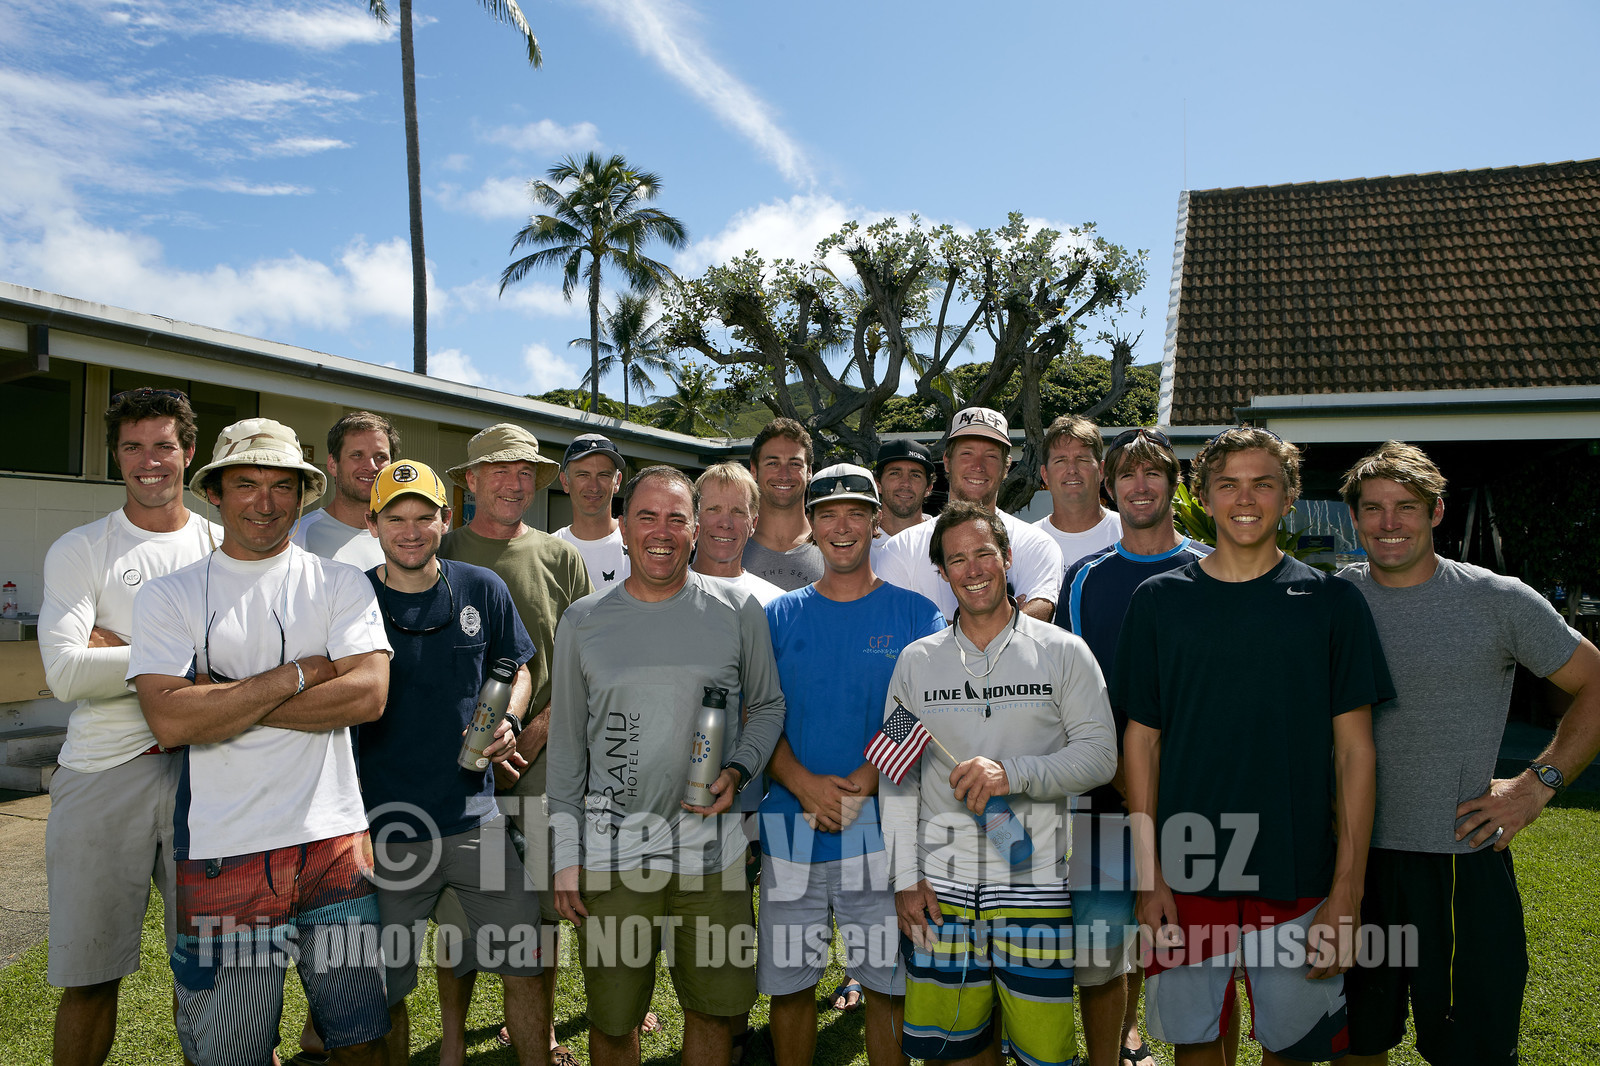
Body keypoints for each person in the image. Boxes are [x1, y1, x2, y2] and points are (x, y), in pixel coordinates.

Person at [1118, 427, 1392, 1066]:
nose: (1246, 498)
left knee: (1292, 1048)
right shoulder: (1158, 602)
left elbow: (1355, 754)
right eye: (1228, 484)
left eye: (1263, 483)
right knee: (1197, 1043)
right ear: (1202, 497)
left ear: (1290, 495)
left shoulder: (1333, 603)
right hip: (1187, 871)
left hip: (1300, 870)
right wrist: (1148, 871)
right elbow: (1142, 745)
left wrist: (1347, 892)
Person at [128, 417, 392, 1066]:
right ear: (213, 492)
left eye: (282, 486)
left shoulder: (341, 583)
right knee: (228, 1051)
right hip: (224, 847)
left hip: (335, 842)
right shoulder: (170, 596)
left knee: (359, 1035)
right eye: (245, 484)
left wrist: (223, 699)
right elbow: (170, 720)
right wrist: (301, 673)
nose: (266, 503)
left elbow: (367, 696)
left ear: (303, 493)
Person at [1337, 442, 1600, 1066]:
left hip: (1461, 859)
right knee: (1355, 1043)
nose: (1389, 522)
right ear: (1354, 518)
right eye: (1372, 508)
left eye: (1406, 506)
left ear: (1437, 512)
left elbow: (1595, 681)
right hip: (1352, 858)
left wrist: (1537, 784)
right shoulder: (1330, 601)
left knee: (1471, 1050)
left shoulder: (1497, 599)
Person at [548, 465, 786, 1066]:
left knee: (711, 1009)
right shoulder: (582, 620)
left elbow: (767, 705)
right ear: (623, 528)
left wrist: (737, 769)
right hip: (612, 858)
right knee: (613, 1018)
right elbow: (569, 748)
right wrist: (566, 855)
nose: (662, 531)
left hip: (713, 858)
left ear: (696, 530)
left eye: (676, 518)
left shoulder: (737, 611)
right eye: (647, 517)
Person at [882, 502, 1117, 1066]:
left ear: (1007, 558)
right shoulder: (916, 662)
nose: (972, 569)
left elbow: (1101, 757)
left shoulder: (1064, 651)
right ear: (942, 573)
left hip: (1033, 882)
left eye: (983, 552)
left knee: (1044, 1051)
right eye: (956, 559)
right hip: (941, 889)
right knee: (956, 1049)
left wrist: (1014, 773)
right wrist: (905, 878)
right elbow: (896, 780)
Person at [39, 387, 219, 1066]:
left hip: (207, 776)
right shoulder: (82, 550)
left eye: (164, 445)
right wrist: (188, 664)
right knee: (88, 977)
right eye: (134, 446)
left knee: (207, 970)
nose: (150, 461)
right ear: (117, 455)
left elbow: (245, 666)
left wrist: (121, 647)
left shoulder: (220, 546)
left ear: (189, 452)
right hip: (100, 773)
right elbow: (63, 673)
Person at [358, 460, 547, 1066]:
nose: (410, 532)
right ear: (374, 524)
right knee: (385, 989)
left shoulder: (479, 587)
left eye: (423, 518)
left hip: (476, 820)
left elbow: (516, 664)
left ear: (447, 518)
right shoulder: (351, 597)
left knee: (525, 960)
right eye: (396, 519)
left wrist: (512, 719)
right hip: (386, 830)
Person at [760, 464, 945, 1066]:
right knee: (791, 991)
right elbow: (757, 714)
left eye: (856, 513)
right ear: (810, 526)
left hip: (883, 835)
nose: (843, 527)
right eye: (828, 514)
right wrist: (801, 783)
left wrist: (865, 780)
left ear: (876, 523)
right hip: (791, 829)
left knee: (886, 990)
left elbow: (925, 708)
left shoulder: (917, 615)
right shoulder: (778, 616)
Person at [438, 423, 593, 1066]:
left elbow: (584, 660)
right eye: (498, 471)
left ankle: (542, 1031)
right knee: (458, 921)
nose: (514, 482)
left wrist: (530, 734)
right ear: (470, 481)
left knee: (541, 912)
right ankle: (451, 1040)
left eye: (525, 471)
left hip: (541, 764)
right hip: (456, 774)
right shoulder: (438, 551)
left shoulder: (560, 558)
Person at [1055, 427, 1210, 1066]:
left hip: (1193, 792)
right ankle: (1106, 1053)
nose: (1139, 486)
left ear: (1174, 485)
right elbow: (1069, 688)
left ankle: (1134, 1032)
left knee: (1181, 945)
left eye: (1153, 474)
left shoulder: (1212, 567)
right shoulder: (1085, 579)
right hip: (1103, 795)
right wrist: (1115, 769)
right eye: (1126, 476)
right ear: (1110, 487)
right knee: (1098, 948)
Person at [877, 407, 1064, 621]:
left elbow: (1039, 617)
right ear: (947, 461)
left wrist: (929, 625)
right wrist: (1008, 620)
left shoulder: (1037, 544)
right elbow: (895, 626)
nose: (978, 466)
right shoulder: (901, 548)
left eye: (991, 456)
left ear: (1006, 466)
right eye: (967, 453)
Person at [292, 411, 398, 568]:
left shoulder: (404, 537)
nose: (371, 466)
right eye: (357, 455)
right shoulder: (299, 536)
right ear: (333, 464)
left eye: (381, 457)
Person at [743, 418, 824, 590]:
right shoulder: (728, 544)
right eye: (773, 463)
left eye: (795, 464)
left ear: (809, 471)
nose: (784, 475)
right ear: (754, 470)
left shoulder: (833, 545)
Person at [692, 462, 784, 606]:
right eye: (713, 509)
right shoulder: (659, 592)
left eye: (738, 512)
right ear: (694, 519)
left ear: (753, 524)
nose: (725, 523)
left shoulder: (775, 603)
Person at [1036, 414, 1122, 570]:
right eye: (1060, 461)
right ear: (1045, 475)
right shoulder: (1027, 542)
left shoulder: (1129, 534)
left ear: (1101, 470)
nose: (1072, 470)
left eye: (1082, 460)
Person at [553, 433, 630, 589]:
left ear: (617, 482)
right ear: (565, 482)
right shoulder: (551, 550)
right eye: (583, 475)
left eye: (604, 475)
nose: (594, 486)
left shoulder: (638, 545)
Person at [869, 439, 937, 564]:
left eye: (915, 475)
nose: (905, 483)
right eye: (895, 473)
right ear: (878, 484)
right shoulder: (859, 545)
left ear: (928, 487)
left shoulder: (944, 539)